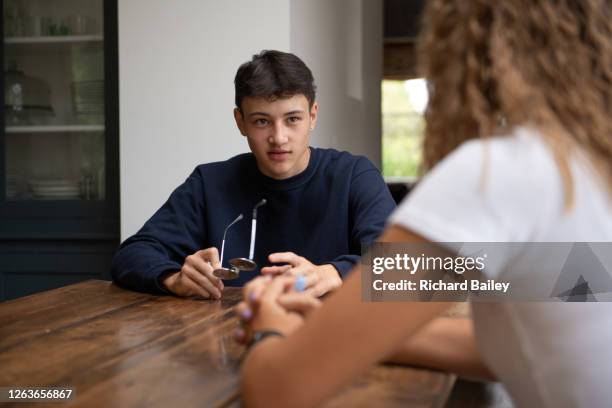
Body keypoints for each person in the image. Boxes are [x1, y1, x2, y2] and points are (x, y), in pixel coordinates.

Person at [237, 1, 612, 407]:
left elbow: (275, 390)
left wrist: (271, 329)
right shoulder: (589, 165)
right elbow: (536, 339)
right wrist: (333, 330)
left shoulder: (494, 174)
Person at [110, 50, 396, 299]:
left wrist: (334, 273)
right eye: (262, 121)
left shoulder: (354, 175)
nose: (279, 137)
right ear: (240, 121)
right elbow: (131, 254)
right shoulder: (210, 183)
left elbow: (414, 267)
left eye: (292, 119)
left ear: (313, 116)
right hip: (225, 339)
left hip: (331, 339)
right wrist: (173, 278)